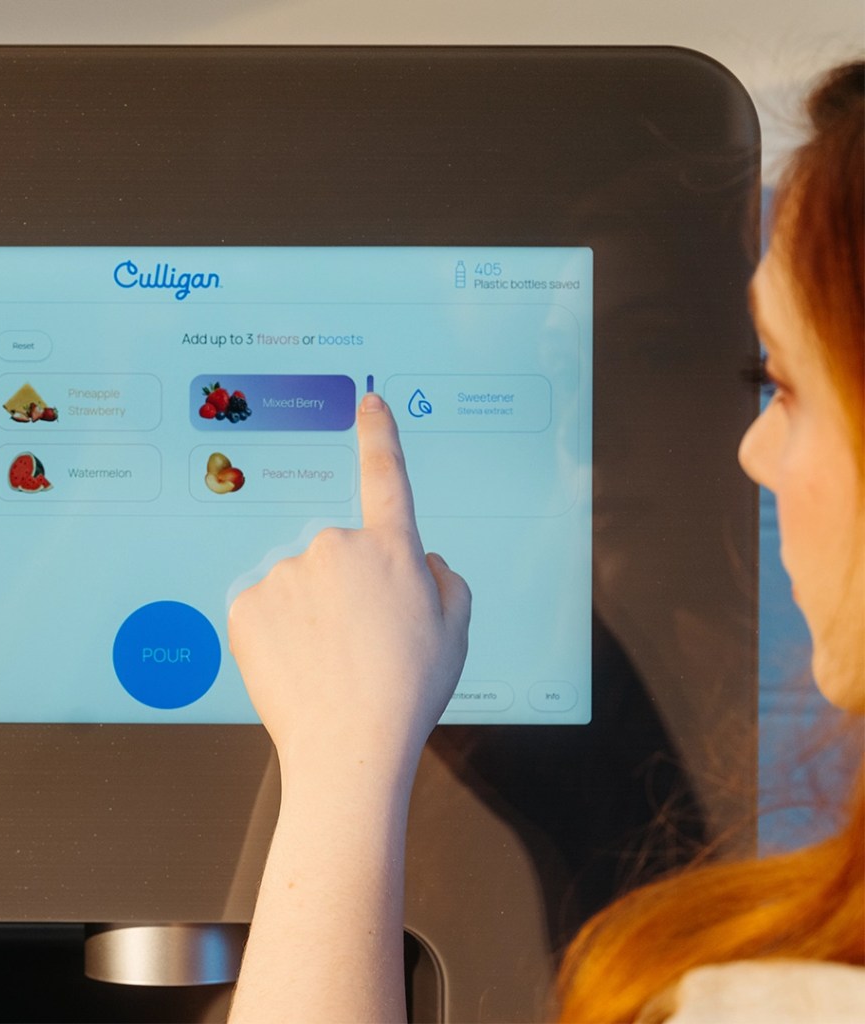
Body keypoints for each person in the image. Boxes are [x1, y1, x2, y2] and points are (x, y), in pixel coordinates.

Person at [226, 61, 864, 1023]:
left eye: (776, 378)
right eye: (550, 372)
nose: (583, 435)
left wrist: (337, 773)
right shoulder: (492, 737)